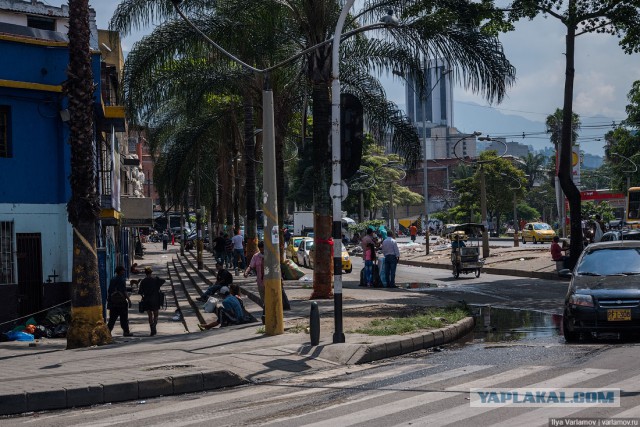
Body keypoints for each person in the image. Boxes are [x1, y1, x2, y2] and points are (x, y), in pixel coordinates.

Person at [138, 267, 166, 336]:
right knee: (156, 314)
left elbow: (140, 292)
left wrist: (144, 296)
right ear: (151, 273)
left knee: (150, 315)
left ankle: (152, 329)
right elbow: (163, 281)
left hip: (147, 300)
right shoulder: (155, 280)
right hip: (155, 299)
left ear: (145, 273)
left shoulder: (143, 281)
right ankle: (154, 326)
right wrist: (157, 278)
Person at [107, 265, 132, 336]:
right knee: (124, 318)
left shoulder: (112, 279)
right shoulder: (122, 279)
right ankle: (126, 332)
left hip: (113, 303)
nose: (124, 271)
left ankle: (108, 332)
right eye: (123, 270)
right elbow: (124, 291)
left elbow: (109, 291)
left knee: (112, 319)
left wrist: (109, 302)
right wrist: (129, 300)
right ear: (120, 271)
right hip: (121, 303)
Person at [244, 241, 265, 309]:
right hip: (260, 281)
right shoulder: (256, 256)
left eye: (263, 248)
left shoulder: (270, 255)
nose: (262, 250)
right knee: (263, 299)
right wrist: (246, 272)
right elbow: (251, 266)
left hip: (269, 281)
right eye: (261, 249)